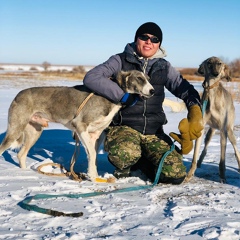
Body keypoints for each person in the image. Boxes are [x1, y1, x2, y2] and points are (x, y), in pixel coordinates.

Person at [83, 22, 203, 184]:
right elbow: (92, 78)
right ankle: (128, 166)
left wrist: (195, 110)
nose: (149, 42)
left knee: (174, 174)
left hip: (154, 131)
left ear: (159, 44)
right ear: (136, 39)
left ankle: (145, 162)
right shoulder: (119, 60)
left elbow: (186, 90)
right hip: (124, 127)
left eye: (154, 39)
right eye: (144, 37)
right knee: (124, 155)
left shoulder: (164, 67)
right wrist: (123, 96)